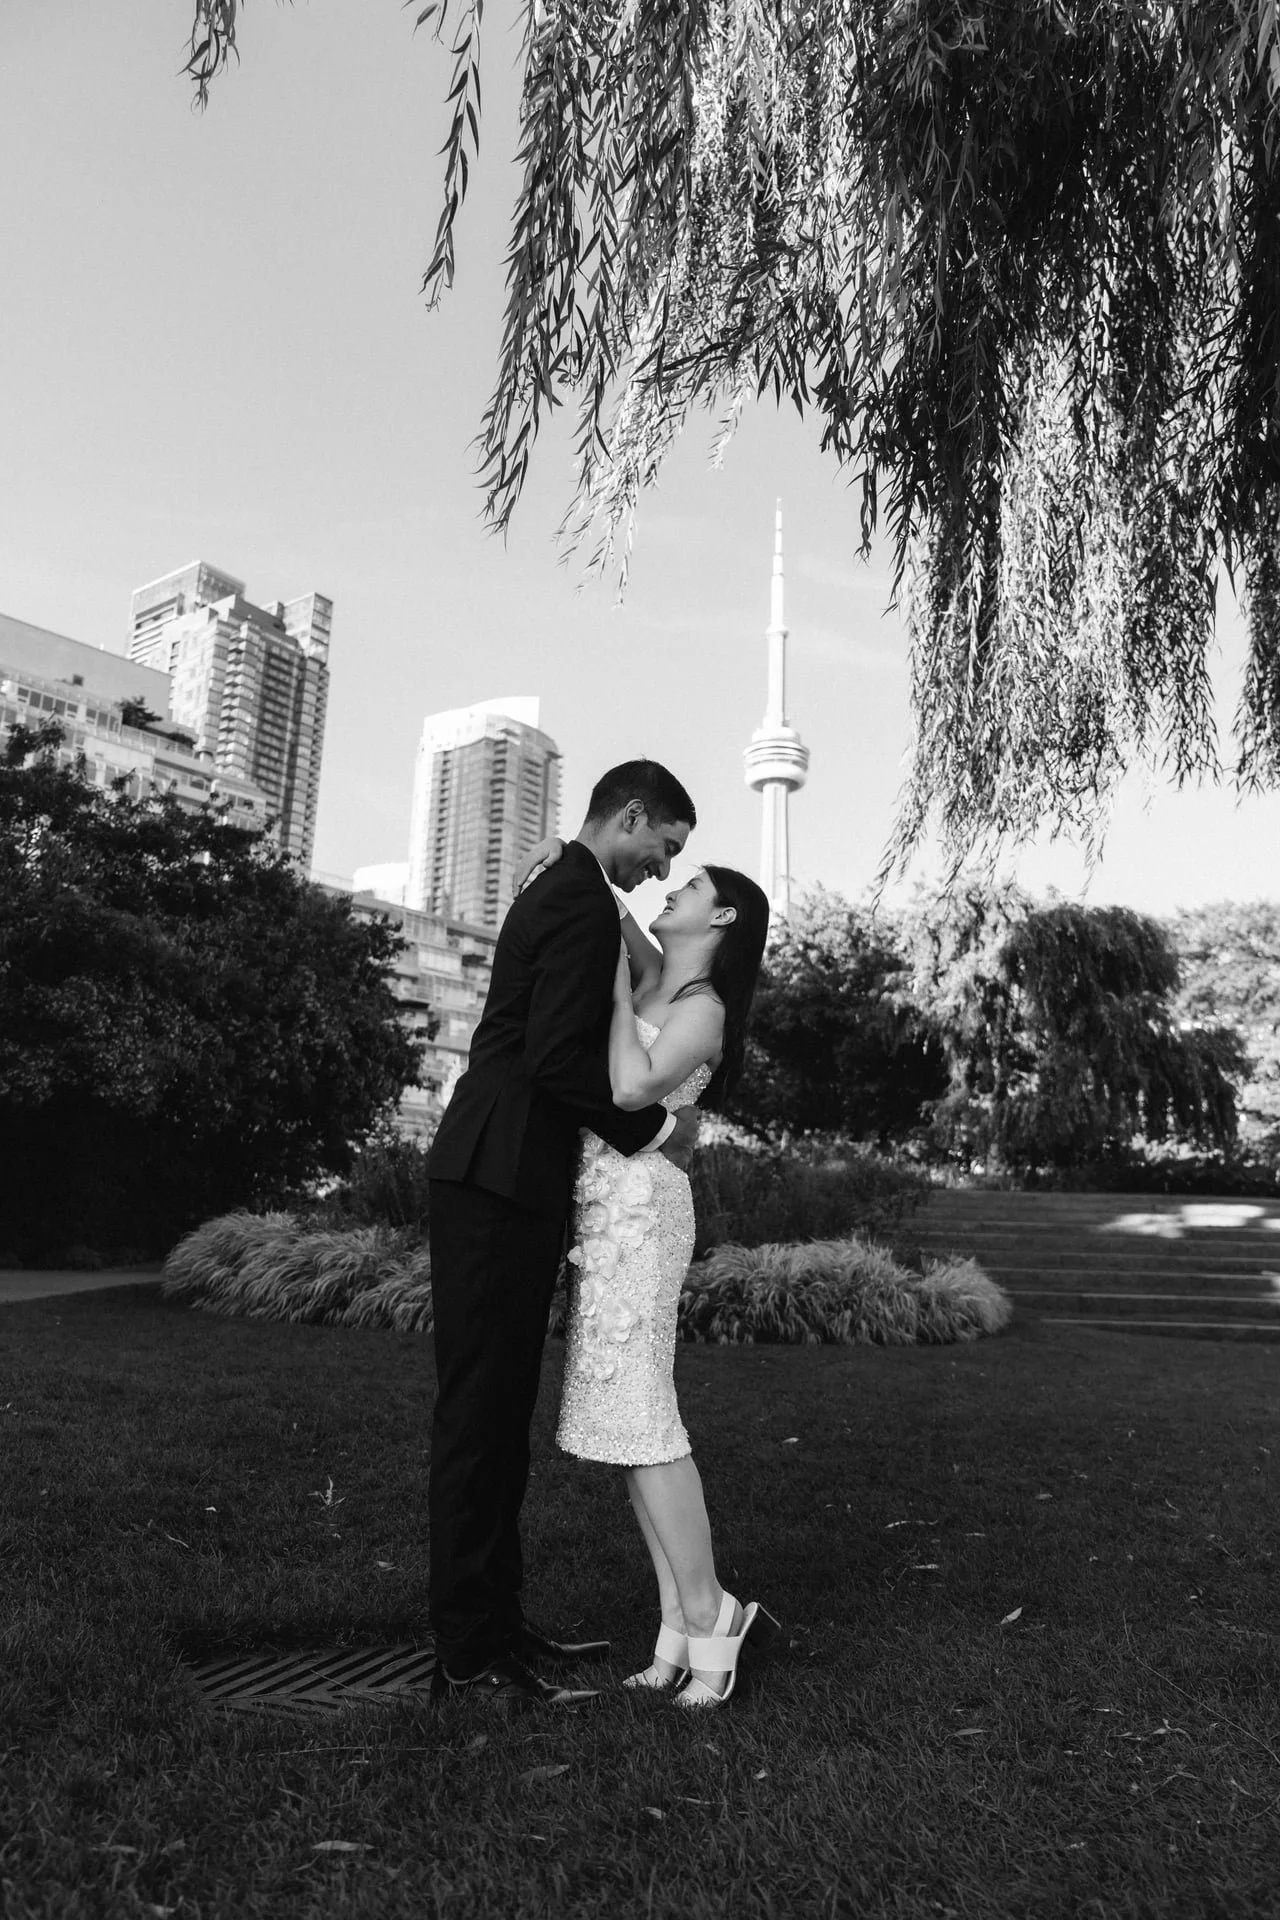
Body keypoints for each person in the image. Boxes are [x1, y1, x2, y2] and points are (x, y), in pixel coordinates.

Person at [425, 761, 701, 1710]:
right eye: (664, 844)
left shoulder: (566, 884)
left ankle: (495, 1625)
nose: (664, 867)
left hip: (500, 1172)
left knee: (499, 1420)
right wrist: (658, 1133)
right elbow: (552, 1059)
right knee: (479, 1420)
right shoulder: (578, 899)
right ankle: (466, 1653)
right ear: (632, 815)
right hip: (500, 1173)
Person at [526, 842, 777, 1707]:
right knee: (626, 1429)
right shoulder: (656, 969)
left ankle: (714, 1612)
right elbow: (605, 902)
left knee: (650, 1420)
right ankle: (675, 1623)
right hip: (604, 1207)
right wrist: (560, 859)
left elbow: (631, 1088)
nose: (674, 885)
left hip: (645, 1216)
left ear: (726, 918)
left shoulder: (701, 1007)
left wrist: (603, 994)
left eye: (695, 884)